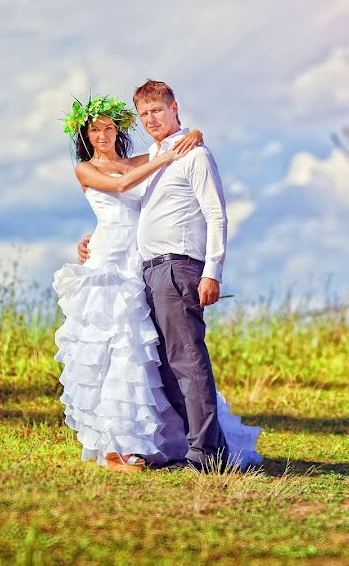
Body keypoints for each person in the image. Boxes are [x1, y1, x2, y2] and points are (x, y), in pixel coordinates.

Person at [69, 86, 261, 472]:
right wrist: (91, 239)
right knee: (141, 356)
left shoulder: (160, 156)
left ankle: (204, 452)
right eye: (95, 131)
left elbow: (210, 210)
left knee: (175, 357)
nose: (103, 136)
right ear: (85, 136)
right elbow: (123, 188)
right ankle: (138, 442)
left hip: (161, 265)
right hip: (130, 265)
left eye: (109, 129)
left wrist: (193, 136)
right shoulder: (120, 163)